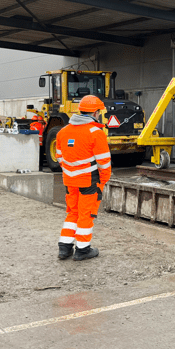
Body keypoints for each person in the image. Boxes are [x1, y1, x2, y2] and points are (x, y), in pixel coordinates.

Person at [56, 95, 111, 261]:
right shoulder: (96, 133)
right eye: (99, 112)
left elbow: (60, 158)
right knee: (86, 215)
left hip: (69, 181)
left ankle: (64, 248)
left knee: (72, 212)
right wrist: (103, 180)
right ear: (95, 113)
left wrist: (70, 173)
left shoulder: (62, 132)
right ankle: (82, 249)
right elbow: (104, 162)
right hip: (89, 181)